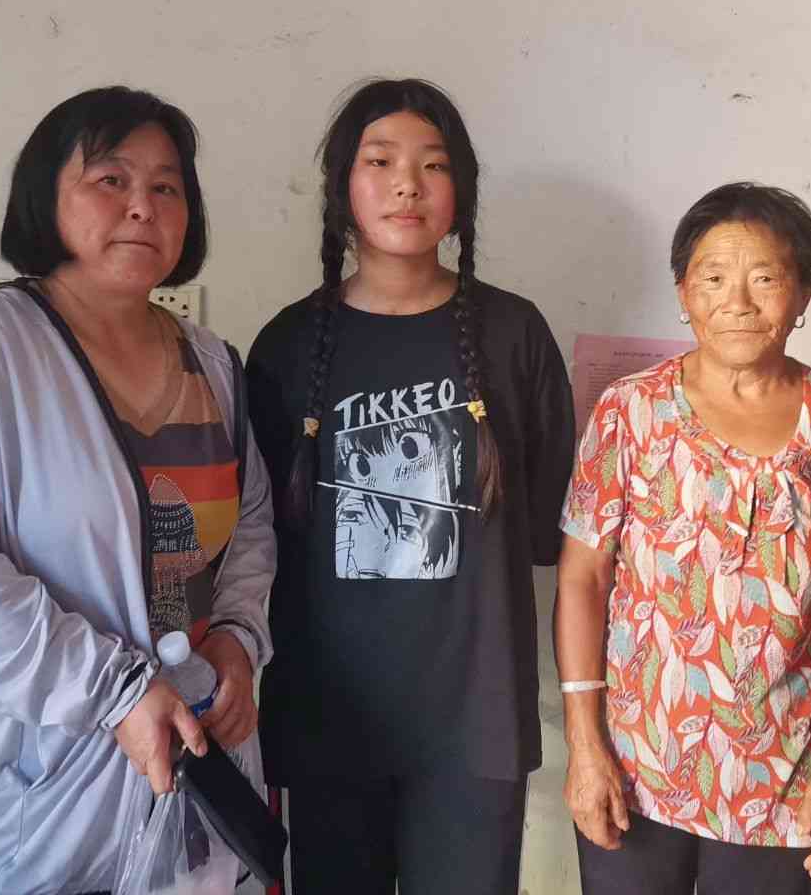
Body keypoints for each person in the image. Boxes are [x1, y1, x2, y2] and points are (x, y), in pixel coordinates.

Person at [0, 86, 275, 894]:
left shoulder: (213, 365)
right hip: (39, 791)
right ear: (45, 197)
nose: (142, 206)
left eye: (166, 186)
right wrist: (113, 693)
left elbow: (250, 528)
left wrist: (238, 636)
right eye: (110, 179)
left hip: (198, 776)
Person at [246, 78, 575, 894]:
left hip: (476, 729)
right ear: (342, 188)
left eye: (433, 165)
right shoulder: (286, 346)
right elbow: (253, 545)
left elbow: (552, 530)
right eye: (381, 162)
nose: (407, 185)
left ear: (461, 193)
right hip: (328, 723)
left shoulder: (515, 334)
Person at [556, 182, 811, 894]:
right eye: (714, 278)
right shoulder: (630, 413)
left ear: (803, 292)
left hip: (789, 778)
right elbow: (582, 578)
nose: (738, 302)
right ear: (684, 293)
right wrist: (584, 743)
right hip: (637, 766)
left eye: (765, 278)